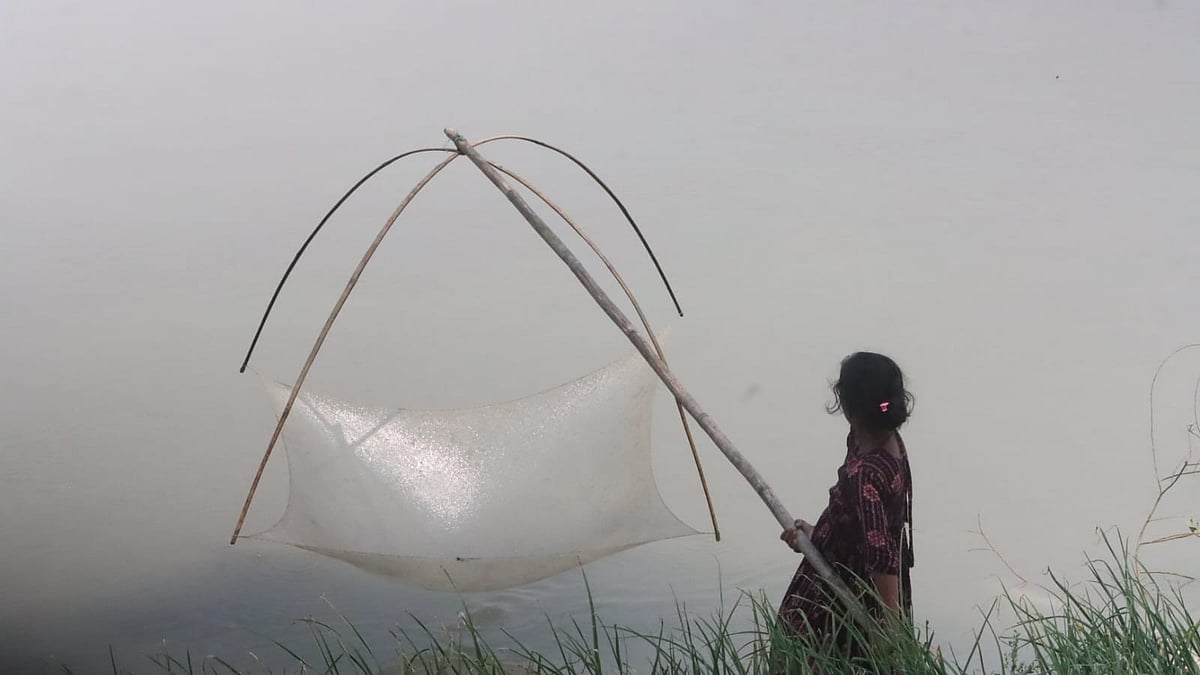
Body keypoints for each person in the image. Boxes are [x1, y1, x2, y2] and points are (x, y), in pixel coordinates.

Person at [777, 351, 915, 658]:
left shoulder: (866, 473)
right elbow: (860, 521)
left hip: (851, 594)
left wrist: (888, 629)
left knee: (819, 658)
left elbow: (880, 555)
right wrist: (817, 535)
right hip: (848, 569)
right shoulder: (875, 441)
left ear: (849, 408)